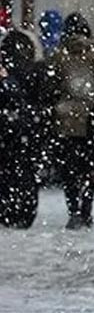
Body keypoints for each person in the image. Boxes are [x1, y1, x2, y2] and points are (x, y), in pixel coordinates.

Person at [47, 13, 94, 229]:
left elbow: (51, 85)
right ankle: (87, 208)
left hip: (66, 120)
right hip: (93, 119)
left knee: (69, 169)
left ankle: (73, 209)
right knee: (90, 166)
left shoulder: (59, 55)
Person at [0, 30, 46, 228]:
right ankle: (24, 211)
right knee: (25, 171)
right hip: (28, 128)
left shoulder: (9, 73)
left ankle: (8, 209)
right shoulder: (35, 69)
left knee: (8, 170)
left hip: (10, 127)